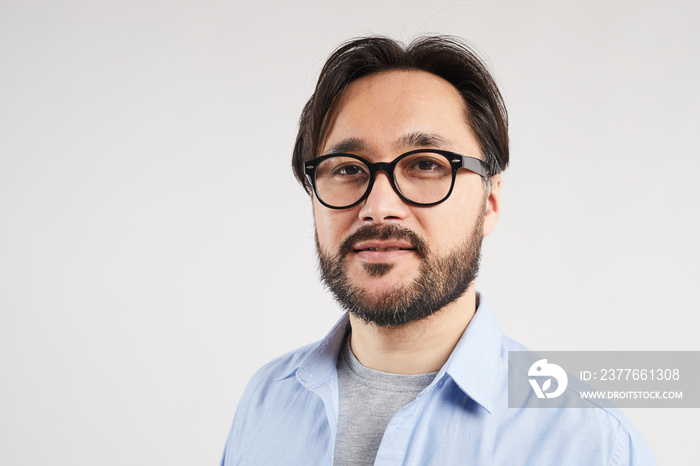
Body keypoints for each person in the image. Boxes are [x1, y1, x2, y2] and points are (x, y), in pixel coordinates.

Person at [221, 35, 656, 465]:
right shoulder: (266, 400)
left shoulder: (592, 441)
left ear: (490, 202)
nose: (378, 208)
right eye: (348, 169)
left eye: (426, 164)